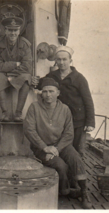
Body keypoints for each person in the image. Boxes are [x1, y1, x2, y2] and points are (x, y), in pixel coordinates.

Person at [24, 77, 92, 209]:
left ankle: (84, 193)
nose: (48, 95)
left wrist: (56, 149)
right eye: (45, 91)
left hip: (61, 146)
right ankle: (65, 191)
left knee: (76, 158)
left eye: (51, 91)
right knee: (61, 166)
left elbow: (68, 134)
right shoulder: (34, 107)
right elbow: (29, 130)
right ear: (41, 93)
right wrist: (45, 148)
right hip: (41, 147)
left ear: (58, 93)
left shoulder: (65, 109)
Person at [34, 46, 95, 157]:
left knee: (77, 150)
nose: (61, 62)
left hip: (77, 120)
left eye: (64, 59)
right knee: (64, 149)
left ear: (70, 61)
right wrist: (34, 81)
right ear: (56, 61)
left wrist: (90, 122)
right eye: (59, 59)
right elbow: (41, 83)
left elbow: (88, 101)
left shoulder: (79, 78)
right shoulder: (52, 76)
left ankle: (77, 171)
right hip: (60, 119)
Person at [0, 17, 32, 122]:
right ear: (5, 30)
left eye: (15, 30)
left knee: (27, 78)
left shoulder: (25, 44)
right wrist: (16, 64)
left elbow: (27, 66)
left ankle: (18, 113)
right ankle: (5, 112)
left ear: (19, 31)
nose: (12, 33)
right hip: (3, 74)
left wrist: (10, 72)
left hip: (17, 74)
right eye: (10, 30)